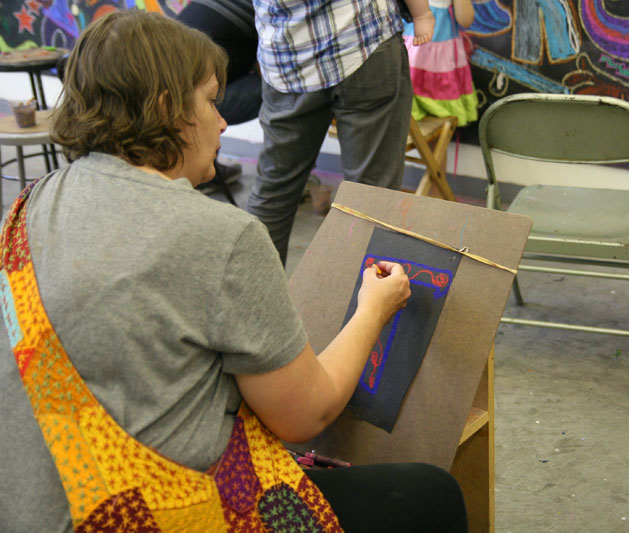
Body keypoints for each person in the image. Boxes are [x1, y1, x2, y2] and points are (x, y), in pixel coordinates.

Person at [0, 10, 468, 532]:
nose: (223, 122)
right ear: (167, 109)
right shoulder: (220, 236)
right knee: (431, 494)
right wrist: (372, 311)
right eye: (210, 101)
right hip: (146, 512)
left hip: (31, 505)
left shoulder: (28, 205)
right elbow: (304, 416)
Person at [248, 0, 413, 266]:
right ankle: (367, 304)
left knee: (275, 191)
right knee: (371, 195)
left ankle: (255, 305)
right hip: (360, 37)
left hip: (287, 53)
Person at [176, 0, 261, 191]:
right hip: (184, 106)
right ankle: (279, 178)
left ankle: (204, 167)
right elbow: (269, 72)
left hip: (169, 101)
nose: (222, 125)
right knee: (279, 91)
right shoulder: (265, 12)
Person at [403, 0, 478, 126]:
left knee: (437, 122)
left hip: (440, 64)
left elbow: (465, 20)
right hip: (411, 54)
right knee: (407, 117)